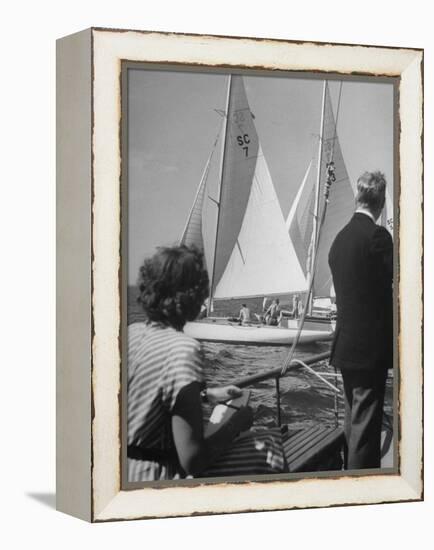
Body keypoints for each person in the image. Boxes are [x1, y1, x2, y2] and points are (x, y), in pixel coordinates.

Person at [128, 245, 286, 481]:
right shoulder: (183, 349)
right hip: (157, 478)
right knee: (271, 443)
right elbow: (192, 459)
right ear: (193, 296)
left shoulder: (131, 333)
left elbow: (153, 398)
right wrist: (236, 425)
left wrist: (207, 395)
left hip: (124, 470)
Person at [328, 171, 393, 470]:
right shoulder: (379, 237)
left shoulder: (339, 240)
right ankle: (361, 492)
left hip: (345, 348)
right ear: (380, 202)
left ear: (357, 196)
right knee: (365, 432)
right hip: (370, 353)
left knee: (352, 423)